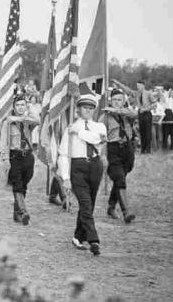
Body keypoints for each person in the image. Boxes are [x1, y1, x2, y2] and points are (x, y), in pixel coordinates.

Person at [58, 93, 107, 256]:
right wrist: (65, 177)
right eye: (85, 107)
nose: (88, 111)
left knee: (90, 203)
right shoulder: (69, 129)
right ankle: (93, 239)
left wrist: (79, 132)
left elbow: (98, 140)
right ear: (78, 109)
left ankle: (78, 236)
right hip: (77, 167)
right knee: (85, 203)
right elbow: (63, 154)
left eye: (91, 108)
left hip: (95, 165)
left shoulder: (99, 126)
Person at [0, 93, 39, 225]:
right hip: (14, 156)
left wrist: (27, 112)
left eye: (23, 105)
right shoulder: (7, 123)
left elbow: (38, 120)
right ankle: (23, 211)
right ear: (14, 107)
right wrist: (5, 159)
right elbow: (3, 142)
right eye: (18, 105)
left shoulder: (28, 121)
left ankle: (17, 213)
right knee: (17, 184)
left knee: (24, 184)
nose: (20, 107)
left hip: (28, 156)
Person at [100, 88, 137, 223]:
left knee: (120, 179)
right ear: (110, 100)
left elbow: (134, 115)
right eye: (114, 100)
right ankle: (126, 211)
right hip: (113, 149)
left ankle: (111, 207)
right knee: (119, 178)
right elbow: (101, 138)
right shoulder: (105, 116)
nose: (116, 102)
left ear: (123, 101)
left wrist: (119, 111)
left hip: (127, 149)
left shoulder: (127, 113)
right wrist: (103, 156)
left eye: (119, 100)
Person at [135, 80, 153, 153]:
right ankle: (143, 149)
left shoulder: (148, 93)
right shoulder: (137, 94)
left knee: (148, 132)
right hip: (140, 114)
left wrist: (145, 109)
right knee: (142, 132)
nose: (138, 87)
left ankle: (148, 149)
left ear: (143, 86)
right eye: (137, 86)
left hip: (147, 114)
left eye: (139, 86)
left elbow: (154, 104)